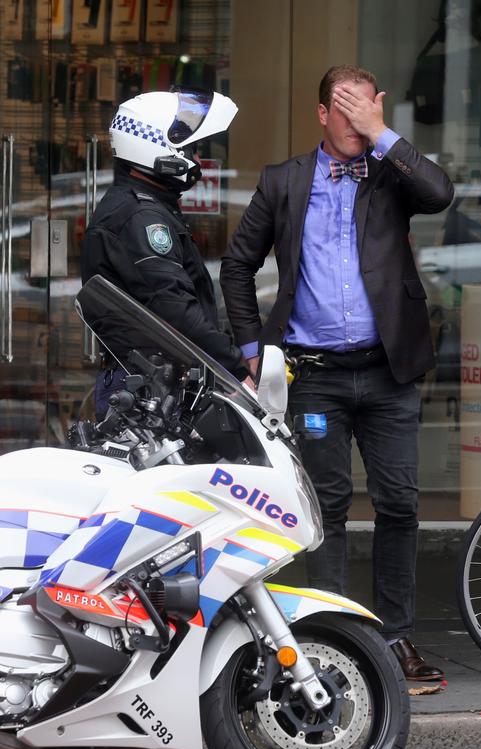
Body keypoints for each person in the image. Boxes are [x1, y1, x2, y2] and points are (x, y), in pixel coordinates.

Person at [219, 65, 454, 681]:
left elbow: (440, 193)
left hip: (389, 372)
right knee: (325, 508)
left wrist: (384, 134)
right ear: (322, 114)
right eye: (343, 108)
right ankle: (337, 640)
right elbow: (237, 265)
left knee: (399, 504)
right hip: (314, 375)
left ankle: (397, 637)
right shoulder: (283, 182)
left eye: (364, 107)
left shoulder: (391, 173)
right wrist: (251, 349)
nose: (353, 119)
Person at [81, 88, 248, 418]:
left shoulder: (143, 207)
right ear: (156, 146)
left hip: (150, 382)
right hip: (146, 388)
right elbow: (173, 307)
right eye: (190, 149)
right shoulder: (140, 218)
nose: (197, 160)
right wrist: (238, 369)